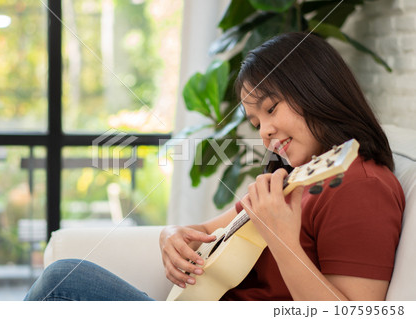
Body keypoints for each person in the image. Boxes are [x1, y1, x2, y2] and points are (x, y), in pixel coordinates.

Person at [24, 32, 404, 301]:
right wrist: (170, 236)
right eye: (256, 123)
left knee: (63, 279)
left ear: (317, 89)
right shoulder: (294, 177)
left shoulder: (361, 187)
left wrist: (282, 239)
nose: (266, 133)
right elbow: (206, 230)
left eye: (271, 109)